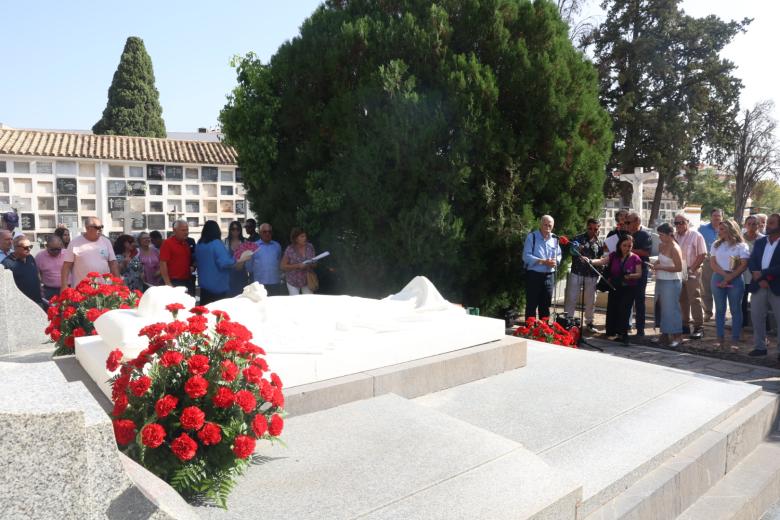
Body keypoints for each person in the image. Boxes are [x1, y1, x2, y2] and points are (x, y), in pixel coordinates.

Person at [587, 234, 643, 345]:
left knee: (625, 311)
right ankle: (614, 332)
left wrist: (630, 276)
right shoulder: (614, 255)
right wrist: (590, 261)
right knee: (613, 309)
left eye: (629, 246)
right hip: (615, 287)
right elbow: (602, 261)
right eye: (624, 245)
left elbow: (639, 274)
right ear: (619, 245)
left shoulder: (635, 258)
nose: (627, 248)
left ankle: (624, 335)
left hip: (628, 289)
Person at [709, 219, 749, 349]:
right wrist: (724, 276)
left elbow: (743, 265)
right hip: (718, 277)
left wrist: (729, 277)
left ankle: (735, 340)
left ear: (730, 230)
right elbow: (713, 263)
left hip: (736, 279)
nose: (718, 231)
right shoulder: (716, 244)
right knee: (720, 309)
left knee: (735, 309)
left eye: (722, 229)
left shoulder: (741, 246)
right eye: (719, 229)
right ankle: (719, 338)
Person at [747, 213, 780, 359]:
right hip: (759, 285)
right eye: (768, 223)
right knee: (757, 317)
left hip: (776, 286)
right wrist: (756, 275)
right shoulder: (760, 242)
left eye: (771, 223)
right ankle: (760, 347)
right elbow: (752, 260)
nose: (767, 225)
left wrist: (763, 274)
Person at [195, 220, 249, 305]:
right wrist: (239, 259)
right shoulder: (216, 243)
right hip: (217, 286)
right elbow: (225, 262)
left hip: (204, 285)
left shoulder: (199, 244)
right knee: (218, 313)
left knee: (205, 311)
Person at [564, 218, 604, 332]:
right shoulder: (578, 238)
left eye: (596, 229)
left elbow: (601, 258)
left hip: (591, 275)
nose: (593, 231)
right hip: (577, 272)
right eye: (590, 228)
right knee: (571, 298)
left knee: (591, 300)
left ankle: (589, 323)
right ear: (587, 227)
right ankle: (568, 321)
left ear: (599, 229)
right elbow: (571, 250)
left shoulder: (600, 242)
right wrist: (576, 249)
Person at [61, 217, 119, 291]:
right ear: (87, 228)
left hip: (104, 289)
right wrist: (64, 285)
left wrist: (118, 283)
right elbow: (66, 266)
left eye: (101, 227)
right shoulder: (74, 243)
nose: (100, 229)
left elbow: (113, 263)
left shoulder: (106, 242)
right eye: (97, 227)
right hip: (82, 289)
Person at [674, 213, 707, 339]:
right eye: (676, 223)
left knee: (695, 298)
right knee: (682, 299)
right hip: (680, 269)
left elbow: (702, 254)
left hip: (693, 269)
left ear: (688, 222)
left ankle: (699, 327)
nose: (679, 225)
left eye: (681, 222)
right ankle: (685, 325)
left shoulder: (696, 235)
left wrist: (691, 270)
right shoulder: (675, 236)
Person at [522, 215, 562, 320]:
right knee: (532, 304)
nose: (548, 227)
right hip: (534, 275)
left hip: (549, 276)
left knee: (545, 305)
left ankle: (543, 331)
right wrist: (543, 262)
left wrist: (556, 261)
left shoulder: (554, 239)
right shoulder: (532, 237)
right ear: (540, 224)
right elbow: (526, 256)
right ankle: (529, 330)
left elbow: (559, 254)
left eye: (550, 225)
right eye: (546, 224)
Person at [651, 223, 684, 347]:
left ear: (670, 235)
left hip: (672, 282)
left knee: (672, 309)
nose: (660, 237)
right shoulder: (661, 245)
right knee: (661, 307)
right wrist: (656, 265)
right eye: (659, 234)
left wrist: (661, 267)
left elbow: (679, 268)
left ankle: (678, 336)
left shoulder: (675, 248)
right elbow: (660, 259)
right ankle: (664, 335)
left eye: (662, 235)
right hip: (660, 280)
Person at [2, 236, 45, 310]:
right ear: (15, 247)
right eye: (25, 247)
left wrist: (40, 286)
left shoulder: (30, 257)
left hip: (37, 300)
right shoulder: (7, 263)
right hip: (20, 304)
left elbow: (36, 273)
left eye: (30, 246)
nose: (29, 249)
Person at [626, 212, 652, 336]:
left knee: (639, 300)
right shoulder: (626, 234)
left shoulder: (645, 235)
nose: (627, 225)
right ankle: (625, 326)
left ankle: (640, 329)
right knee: (627, 299)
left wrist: (629, 250)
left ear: (637, 222)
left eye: (628, 222)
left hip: (640, 270)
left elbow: (646, 252)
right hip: (627, 270)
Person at [699, 208, 723, 321]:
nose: (717, 218)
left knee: (721, 288)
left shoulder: (725, 229)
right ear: (711, 217)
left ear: (722, 217)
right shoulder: (702, 229)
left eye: (719, 216)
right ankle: (707, 312)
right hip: (708, 262)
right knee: (706, 288)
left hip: (722, 263)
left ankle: (720, 313)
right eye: (714, 215)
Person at [159, 220, 195, 296]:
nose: (186, 232)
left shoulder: (185, 243)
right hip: (174, 281)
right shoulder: (167, 243)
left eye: (187, 230)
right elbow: (163, 263)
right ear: (174, 230)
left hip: (186, 280)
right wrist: (168, 283)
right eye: (183, 230)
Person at [248, 222, 284, 296]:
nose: (267, 234)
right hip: (259, 284)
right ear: (260, 233)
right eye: (264, 232)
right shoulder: (253, 246)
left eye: (269, 232)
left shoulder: (277, 246)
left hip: (275, 282)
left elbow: (279, 261)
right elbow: (249, 266)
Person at [741, 215, 764, 325]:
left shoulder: (763, 239)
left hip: (757, 275)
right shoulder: (739, 238)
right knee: (742, 300)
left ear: (758, 225)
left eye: (754, 224)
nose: (751, 226)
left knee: (759, 302)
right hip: (742, 274)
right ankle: (743, 323)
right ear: (745, 225)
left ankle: (761, 325)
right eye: (749, 224)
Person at [281, 227, 317, 295]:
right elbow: (282, 266)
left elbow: (315, 264)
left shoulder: (310, 247)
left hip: (307, 280)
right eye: (302, 236)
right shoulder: (290, 249)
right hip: (293, 280)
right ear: (296, 238)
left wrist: (311, 264)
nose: (305, 238)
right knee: (295, 302)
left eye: (305, 236)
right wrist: (298, 266)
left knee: (309, 301)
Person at [36, 236, 66, 301]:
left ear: (61, 246)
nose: (56, 251)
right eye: (53, 249)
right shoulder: (40, 256)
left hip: (66, 288)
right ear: (47, 246)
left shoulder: (67, 254)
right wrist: (39, 287)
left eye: (58, 249)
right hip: (49, 290)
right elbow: (36, 273)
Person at [224, 221, 249, 297]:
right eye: (233, 229)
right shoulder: (225, 242)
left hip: (241, 274)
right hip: (229, 275)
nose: (235, 231)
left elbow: (248, 258)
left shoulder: (245, 242)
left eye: (237, 229)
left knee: (242, 297)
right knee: (229, 298)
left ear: (240, 230)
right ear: (230, 230)